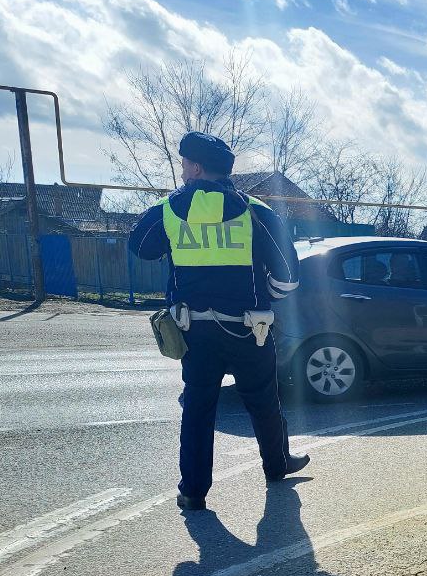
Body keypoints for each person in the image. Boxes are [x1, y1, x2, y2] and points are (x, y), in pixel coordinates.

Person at [129, 131, 310, 513]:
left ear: (195, 167)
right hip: (249, 328)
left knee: (198, 408)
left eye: (183, 164)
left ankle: (193, 491)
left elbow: (141, 247)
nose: (182, 171)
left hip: (193, 330)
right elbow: (288, 278)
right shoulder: (255, 210)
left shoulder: (168, 209)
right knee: (263, 400)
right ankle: (277, 465)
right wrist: (263, 301)